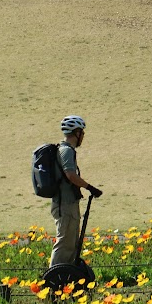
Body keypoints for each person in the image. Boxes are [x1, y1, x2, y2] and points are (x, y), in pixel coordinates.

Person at [49, 115, 103, 268]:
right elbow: (70, 175)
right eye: (82, 133)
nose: (83, 136)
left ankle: (66, 276)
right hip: (65, 205)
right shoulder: (66, 151)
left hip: (68, 204)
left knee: (70, 244)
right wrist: (89, 187)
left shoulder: (66, 150)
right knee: (64, 243)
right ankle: (53, 278)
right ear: (76, 132)